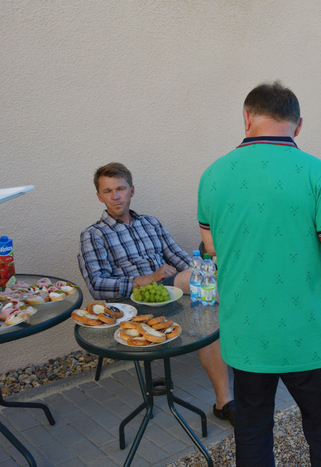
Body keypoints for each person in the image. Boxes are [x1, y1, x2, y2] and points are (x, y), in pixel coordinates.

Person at [197, 82, 321, 467]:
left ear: (247, 117)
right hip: (306, 334)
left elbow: (213, 247)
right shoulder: (319, 174)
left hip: (244, 332)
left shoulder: (212, 175)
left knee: (252, 433)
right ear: (298, 125)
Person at [79, 163, 235, 426]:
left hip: (172, 293)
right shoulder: (94, 235)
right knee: (207, 291)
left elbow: (181, 259)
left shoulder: (150, 223)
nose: (115, 196)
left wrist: (205, 272)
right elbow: (96, 284)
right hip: (133, 305)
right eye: (108, 191)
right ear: (99, 196)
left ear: (131, 191)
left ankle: (225, 403)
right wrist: (146, 279)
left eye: (121, 189)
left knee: (207, 311)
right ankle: (253, 350)